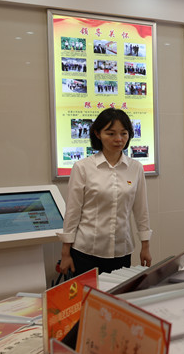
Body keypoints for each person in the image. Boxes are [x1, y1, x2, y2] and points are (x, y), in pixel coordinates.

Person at [58, 108, 152, 275]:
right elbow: (73, 212)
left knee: (118, 292)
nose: (119, 139)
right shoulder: (82, 167)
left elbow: (141, 210)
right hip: (86, 251)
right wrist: (65, 253)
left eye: (124, 133)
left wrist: (145, 246)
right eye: (111, 133)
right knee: (89, 293)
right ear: (97, 134)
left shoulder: (135, 168)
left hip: (122, 251)